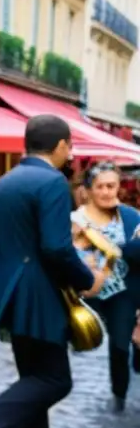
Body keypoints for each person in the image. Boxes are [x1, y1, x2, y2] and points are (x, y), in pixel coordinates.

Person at [0, 115, 106, 428]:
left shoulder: (6, 182)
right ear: (59, 145)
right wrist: (87, 278)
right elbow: (55, 247)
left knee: (35, 378)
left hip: (9, 294)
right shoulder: (52, 182)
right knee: (55, 380)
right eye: (69, 146)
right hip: (37, 296)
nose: (70, 152)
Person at [71, 163, 140, 412]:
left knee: (119, 345)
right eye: (100, 186)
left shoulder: (130, 217)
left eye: (112, 186)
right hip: (85, 293)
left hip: (121, 291)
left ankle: (118, 395)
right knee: (76, 340)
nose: (107, 192)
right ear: (89, 190)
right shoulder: (75, 221)